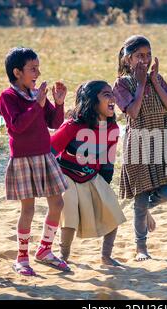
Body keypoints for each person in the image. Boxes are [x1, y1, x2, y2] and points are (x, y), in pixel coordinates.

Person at [0, 47, 69, 276]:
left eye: (38, 68)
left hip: (45, 156)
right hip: (22, 159)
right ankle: (22, 257)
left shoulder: (35, 93)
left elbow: (54, 123)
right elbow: (17, 126)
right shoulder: (7, 97)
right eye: (33, 69)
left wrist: (58, 103)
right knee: (28, 209)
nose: (37, 73)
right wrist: (37, 104)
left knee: (57, 204)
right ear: (17, 72)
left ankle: (45, 250)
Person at [113, 35, 167, 261]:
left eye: (148, 55)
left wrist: (153, 81)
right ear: (127, 59)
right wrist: (142, 83)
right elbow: (132, 112)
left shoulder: (157, 78)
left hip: (160, 143)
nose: (146, 59)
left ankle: (145, 211)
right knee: (140, 198)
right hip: (138, 146)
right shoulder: (122, 84)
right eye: (140, 56)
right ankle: (141, 247)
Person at [51, 80, 126, 266]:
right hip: (66, 174)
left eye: (112, 94)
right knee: (69, 215)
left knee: (112, 211)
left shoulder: (112, 128)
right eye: (106, 94)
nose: (112, 98)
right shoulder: (72, 126)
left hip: (92, 176)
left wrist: (104, 186)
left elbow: (108, 161)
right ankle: (64, 256)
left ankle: (106, 256)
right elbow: (50, 151)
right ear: (92, 101)